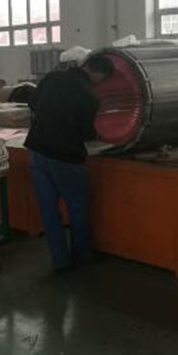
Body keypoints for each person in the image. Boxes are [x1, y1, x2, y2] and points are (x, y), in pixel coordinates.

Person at [25, 55, 114, 271]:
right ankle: (82, 255)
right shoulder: (89, 95)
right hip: (65, 156)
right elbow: (86, 134)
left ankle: (60, 260)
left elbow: (32, 103)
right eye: (103, 79)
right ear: (98, 73)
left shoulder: (53, 77)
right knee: (77, 206)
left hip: (37, 150)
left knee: (48, 208)